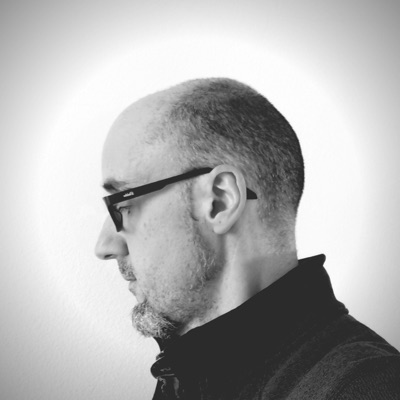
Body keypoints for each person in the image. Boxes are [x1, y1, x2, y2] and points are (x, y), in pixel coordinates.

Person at [95, 78, 400, 399]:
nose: (104, 246)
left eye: (124, 204)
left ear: (220, 201)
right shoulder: (190, 375)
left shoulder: (362, 390)